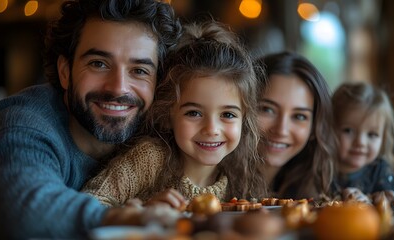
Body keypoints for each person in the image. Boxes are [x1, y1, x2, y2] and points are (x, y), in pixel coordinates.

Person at [0, 0, 181, 238]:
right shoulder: (22, 122)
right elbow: (20, 207)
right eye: (99, 64)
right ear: (65, 72)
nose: (118, 88)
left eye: (139, 71)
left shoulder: (159, 131)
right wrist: (122, 217)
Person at [82, 20, 268, 209]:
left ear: (244, 118)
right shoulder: (149, 159)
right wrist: (140, 213)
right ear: (168, 116)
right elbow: (90, 203)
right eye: (194, 113)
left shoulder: (241, 174)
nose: (212, 129)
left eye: (228, 115)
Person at [256, 51, 338, 199]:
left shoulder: (316, 190)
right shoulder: (212, 189)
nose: (282, 130)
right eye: (267, 109)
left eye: (299, 116)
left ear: (314, 128)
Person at [331, 81, 394, 198]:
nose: (360, 142)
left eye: (372, 134)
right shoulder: (320, 167)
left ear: (383, 138)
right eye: (348, 130)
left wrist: (380, 201)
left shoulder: (380, 170)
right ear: (329, 129)